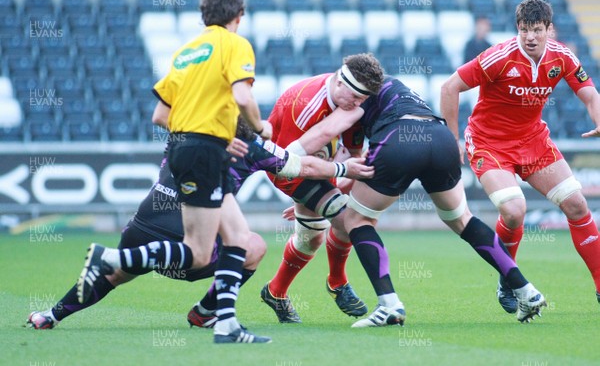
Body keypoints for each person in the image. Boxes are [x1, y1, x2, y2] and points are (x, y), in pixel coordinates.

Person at [28, 119, 374, 330]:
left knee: (113, 277)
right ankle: (206, 313)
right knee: (251, 245)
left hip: (141, 228)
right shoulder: (253, 146)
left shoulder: (185, 133)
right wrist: (345, 169)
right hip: (192, 248)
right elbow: (304, 168)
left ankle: (52, 314)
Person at [77, 0, 274, 344]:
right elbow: (243, 94)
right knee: (199, 253)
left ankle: (226, 323)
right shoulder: (235, 44)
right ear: (238, 15)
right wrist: (259, 128)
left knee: (239, 238)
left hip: (186, 146)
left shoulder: (187, 51)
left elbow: (159, 114)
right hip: (203, 152)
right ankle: (114, 259)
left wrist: (210, 133)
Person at [340, 76, 546, 327]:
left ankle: (389, 305)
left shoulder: (350, 95)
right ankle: (526, 291)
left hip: (399, 137)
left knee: (357, 219)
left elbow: (344, 148)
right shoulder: (392, 84)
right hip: (440, 136)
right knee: (461, 219)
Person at [440, 0, 600, 313]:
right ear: (518, 28)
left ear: (548, 30)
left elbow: (590, 94)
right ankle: (509, 280)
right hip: (490, 142)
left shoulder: (563, 57)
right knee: (514, 210)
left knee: (577, 204)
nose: (530, 37)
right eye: (524, 29)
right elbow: (449, 88)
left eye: (537, 30)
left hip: (532, 141)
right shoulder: (498, 57)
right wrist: (452, 139)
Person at [260, 53, 384, 323]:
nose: (358, 105)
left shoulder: (350, 101)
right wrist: (312, 192)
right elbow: (288, 163)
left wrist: (329, 191)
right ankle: (338, 283)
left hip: (319, 166)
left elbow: (352, 153)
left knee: (312, 238)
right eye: (355, 97)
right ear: (340, 82)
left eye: (363, 100)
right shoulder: (304, 106)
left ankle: (275, 292)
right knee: (347, 218)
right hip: (286, 167)